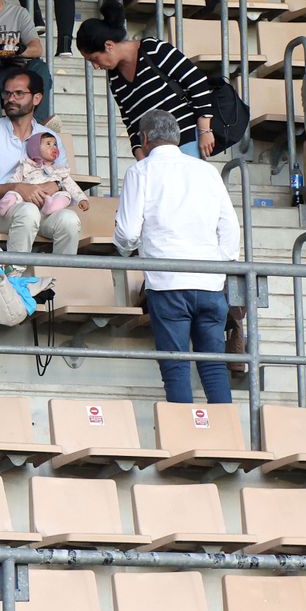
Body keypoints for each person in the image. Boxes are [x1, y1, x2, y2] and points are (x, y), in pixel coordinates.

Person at [114, 110, 240, 404]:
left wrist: (121, 244)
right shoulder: (207, 171)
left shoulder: (140, 171)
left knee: (175, 367)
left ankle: (185, 440)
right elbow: (231, 228)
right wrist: (218, 267)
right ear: (178, 137)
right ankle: (226, 441)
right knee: (213, 366)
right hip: (209, 282)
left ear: (144, 139)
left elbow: (128, 233)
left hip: (167, 281)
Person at [0, 69, 81, 256]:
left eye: (19, 93)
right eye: (7, 93)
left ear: (37, 98)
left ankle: (60, 280)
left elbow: (62, 178)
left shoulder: (51, 137)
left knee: (70, 220)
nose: (11, 99)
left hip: (43, 209)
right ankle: (15, 278)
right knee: (28, 211)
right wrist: (17, 187)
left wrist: (55, 185)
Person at [76, 18, 218, 158]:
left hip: (186, 141)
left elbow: (197, 83)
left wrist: (205, 130)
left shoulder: (153, 49)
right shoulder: (114, 77)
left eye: (94, 59)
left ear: (109, 45)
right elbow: (130, 119)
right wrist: (140, 155)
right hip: (153, 155)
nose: (95, 66)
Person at [0, 132, 89, 217]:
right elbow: (15, 180)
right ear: (35, 148)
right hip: (28, 198)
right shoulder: (27, 166)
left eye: (55, 144)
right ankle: (6, 204)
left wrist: (81, 199)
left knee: (65, 195)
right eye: (48, 144)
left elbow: (72, 186)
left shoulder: (59, 171)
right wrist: (13, 188)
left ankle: (51, 207)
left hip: (49, 198)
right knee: (14, 193)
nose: (53, 147)